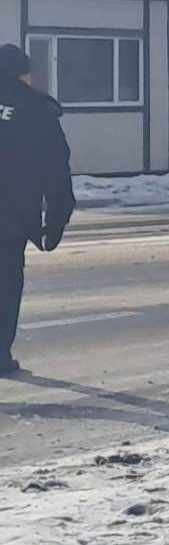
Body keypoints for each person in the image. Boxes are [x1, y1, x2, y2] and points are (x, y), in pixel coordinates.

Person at [0, 44, 75, 374]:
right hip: (11, 215)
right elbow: (55, 168)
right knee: (5, 282)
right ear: (23, 72)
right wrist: (57, 217)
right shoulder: (35, 108)